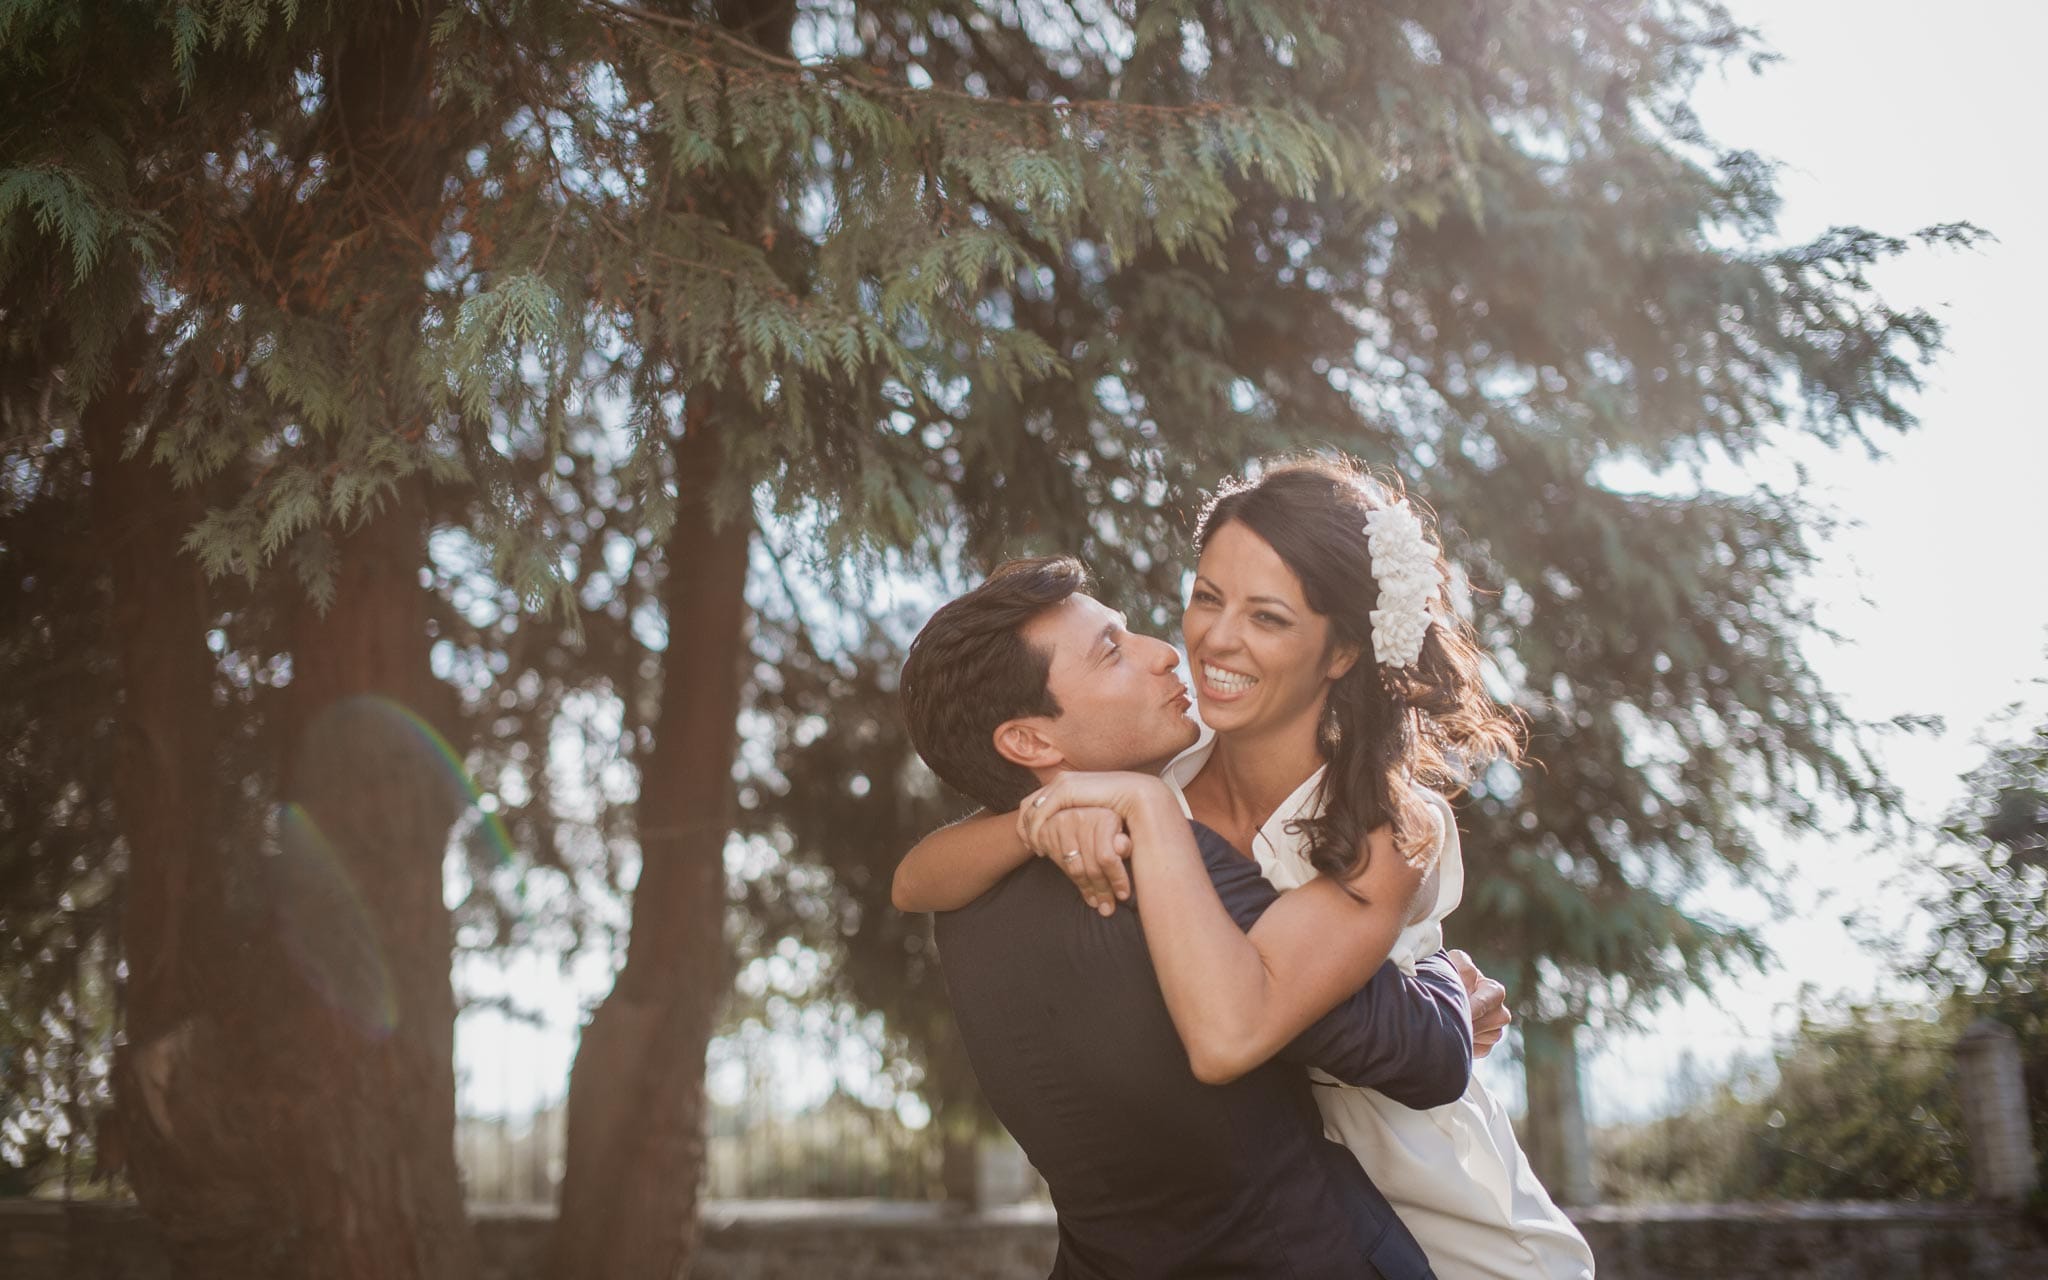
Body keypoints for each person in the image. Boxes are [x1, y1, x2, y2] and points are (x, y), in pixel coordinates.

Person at [897, 458, 1596, 1278]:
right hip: (1280, 1199)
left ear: (1338, 651)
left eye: (1267, 616)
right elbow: (917, 879)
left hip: (1416, 1186)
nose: (1208, 641)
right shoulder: (1161, 768)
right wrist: (1042, 818)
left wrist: (1442, 990)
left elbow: (1242, 1028)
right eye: (1206, 598)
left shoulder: (1388, 825)